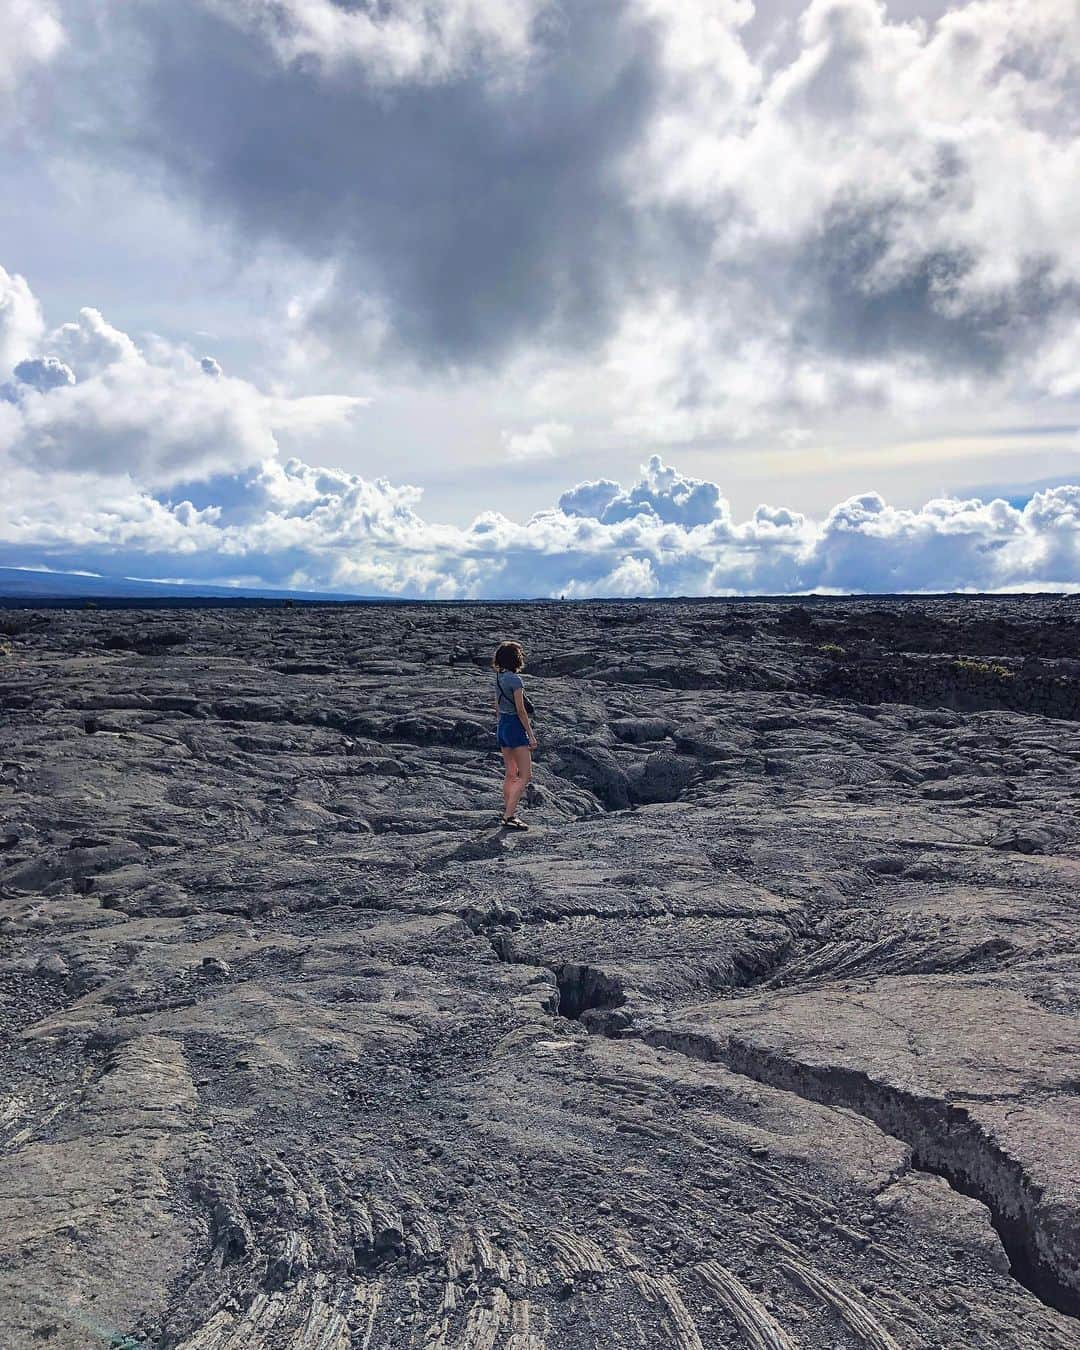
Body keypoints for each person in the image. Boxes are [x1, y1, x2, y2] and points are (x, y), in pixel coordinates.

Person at [493, 640, 537, 830]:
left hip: (502, 725)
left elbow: (497, 706)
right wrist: (531, 734)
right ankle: (509, 816)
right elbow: (521, 710)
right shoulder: (515, 680)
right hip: (514, 726)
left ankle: (507, 812)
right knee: (526, 775)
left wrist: (501, 725)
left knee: (511, 773)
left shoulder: (498, 678)